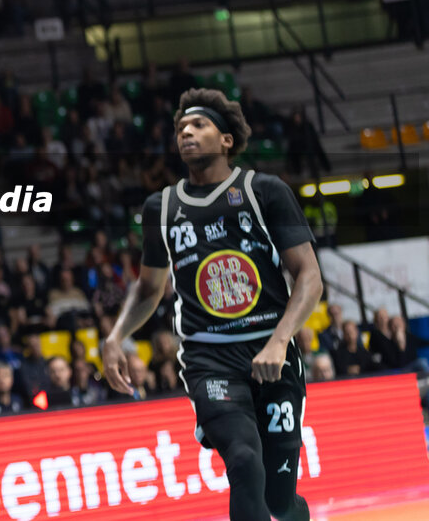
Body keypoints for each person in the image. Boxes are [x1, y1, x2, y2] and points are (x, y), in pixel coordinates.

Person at [103, 88, 323, 521]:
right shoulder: (160, 207)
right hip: (210, 359)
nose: (186, 131)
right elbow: (149, 289)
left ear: (226, 141)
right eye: (180, 127)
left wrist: (280, 341)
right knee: (242, 460)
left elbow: (310, 277)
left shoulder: (265, 191)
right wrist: (115, 337)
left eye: (198, 125)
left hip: (271, 351)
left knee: (279, 499)